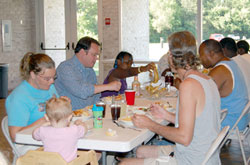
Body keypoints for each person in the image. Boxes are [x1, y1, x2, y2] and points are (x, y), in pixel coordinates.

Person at [120, 31, 221, 165]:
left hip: (191, 160)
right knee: (141, 151)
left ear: (171, 56)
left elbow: (184, 137)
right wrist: (167, 115)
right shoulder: (208, 79)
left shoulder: (188, 85)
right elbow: (197, 121)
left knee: (124, 164)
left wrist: (150, 124)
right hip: (206, 155)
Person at [5, 52, 58, 154]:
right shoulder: (19, 98)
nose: (52, 81)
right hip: (29, 145)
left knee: (91, 151)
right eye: (47, 78)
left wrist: (63, 104)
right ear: (33, 74)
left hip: (51, 135)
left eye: (53, 77)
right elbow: (15, 136)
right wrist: (44, 121)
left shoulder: (50, 88)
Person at [55, 36, 121, 110]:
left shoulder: (90, 70)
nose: (96, 58)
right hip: (70, 115)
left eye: (97, 55)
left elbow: (96, 96)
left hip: (88, 114)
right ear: (82, 52)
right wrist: (108, 86)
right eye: (94, 55)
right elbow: (81, 91)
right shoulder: (65, 68)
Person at [199, 39, 249, 131]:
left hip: (229, 124)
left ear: (211, 53)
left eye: (201, 55)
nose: (200, 59)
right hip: (240, 120)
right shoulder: (231, 63)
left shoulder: (220, 70)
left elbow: (200, 98)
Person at [33, 97, 87, 163]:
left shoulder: (43, 131)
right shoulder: (73, 130)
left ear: (46, 117)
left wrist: (44, 125)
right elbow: (84, 129)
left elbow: (34, 134)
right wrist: (80, 123)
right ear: (70, 117)